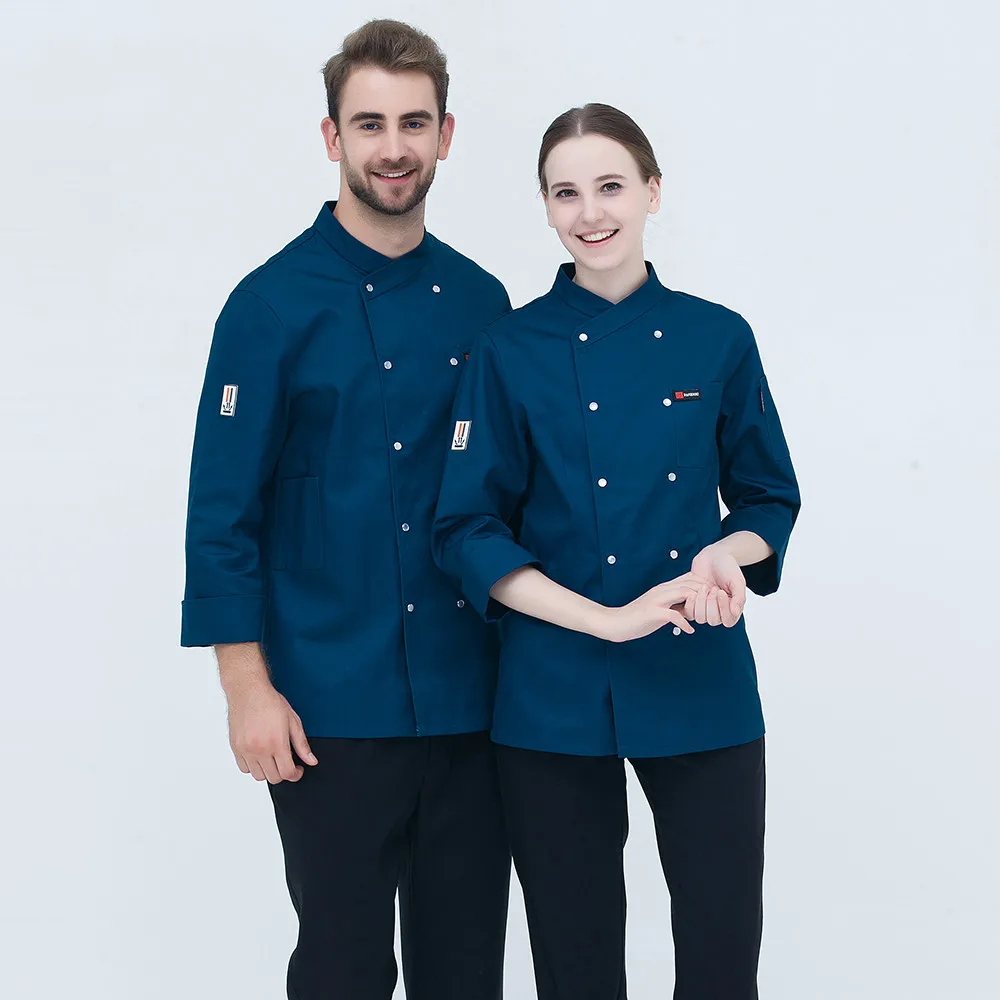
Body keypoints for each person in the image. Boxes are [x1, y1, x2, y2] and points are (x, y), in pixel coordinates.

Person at [432, 103, 801, 1000]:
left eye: (610, 186)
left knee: (721, 961)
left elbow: (767, 498)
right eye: (566, 193)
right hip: (552, 692)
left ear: (652, 192)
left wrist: (726, 555)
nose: (590, 212)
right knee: (576, 966)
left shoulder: (718, 336)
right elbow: (467, 527)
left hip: (700, 678)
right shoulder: (506, 348)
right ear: (546, 208)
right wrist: (602, 620)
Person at [180, 20, 511, 1000]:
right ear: (332, 137)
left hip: (473, 701)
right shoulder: (267, 306)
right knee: (341, 969)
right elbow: (222, 515)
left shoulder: (483, 302)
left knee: (466, 972)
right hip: (325, 709)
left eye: (413, 122)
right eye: (370, 123)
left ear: (445, 134)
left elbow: (513, 501)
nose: (393, 146)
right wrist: (246, 689)